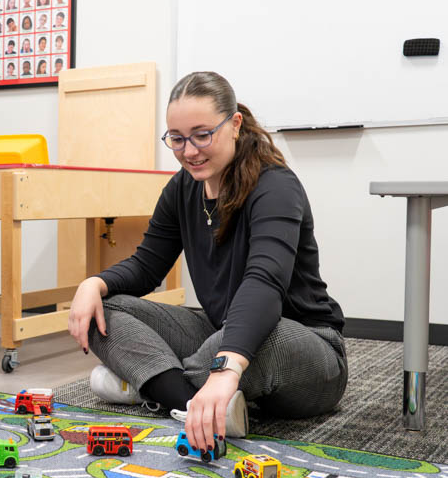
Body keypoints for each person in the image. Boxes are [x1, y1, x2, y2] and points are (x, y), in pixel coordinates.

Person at [67, 71, 347, 453]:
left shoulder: (276, 186)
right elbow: (147, 266)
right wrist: (92, 285)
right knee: (106, 308)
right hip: (221, 331)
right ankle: (197, 398)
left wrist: (225, 366)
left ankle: (154, 386)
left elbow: (264, 283)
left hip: (303, 348)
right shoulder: (183, 187)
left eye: (202, 134)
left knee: (263, 334)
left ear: (233, 125)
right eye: (177, 139)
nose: (190, 150)